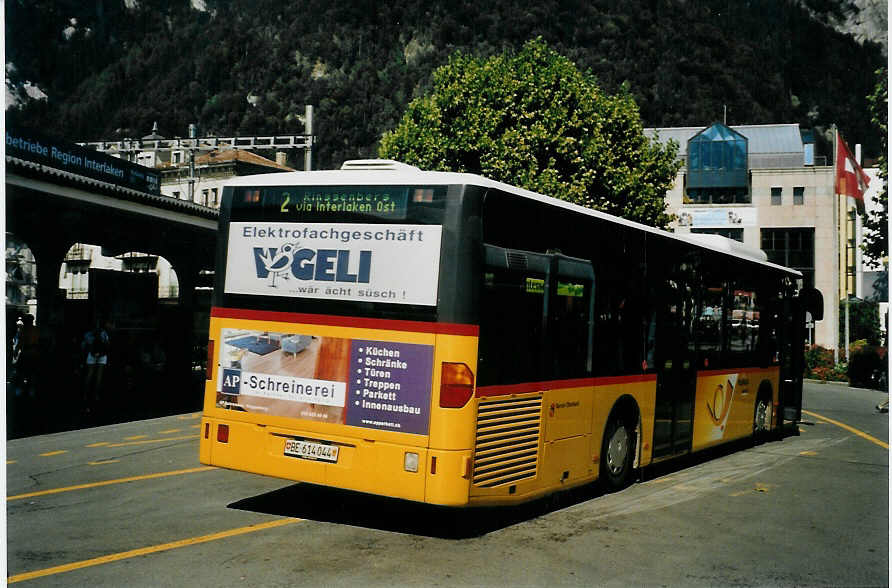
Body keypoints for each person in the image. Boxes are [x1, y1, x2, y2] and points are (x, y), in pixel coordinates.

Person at [82, 321, 111, 407]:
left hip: (93, 354)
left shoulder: (88, 334)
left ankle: (86, 394)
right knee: (98, 376)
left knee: (90, 374)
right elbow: (108, 345)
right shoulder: (104, 333)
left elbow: (85, 346)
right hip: (101, 355)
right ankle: (95, 395)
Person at [12, 314, 39, 397]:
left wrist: (15, 353)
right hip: (32, 353)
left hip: (27, 353)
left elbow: (19, 344)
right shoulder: (35, 329)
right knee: (30, 372)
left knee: (24, 372)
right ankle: (30, 390)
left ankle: (23, 390)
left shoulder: (24, 330)